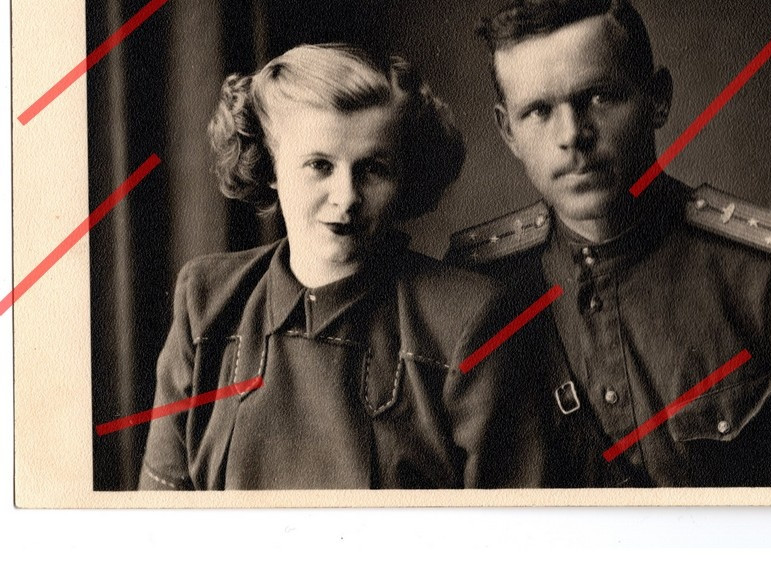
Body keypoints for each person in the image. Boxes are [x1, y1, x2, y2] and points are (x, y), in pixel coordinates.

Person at [447, 0, 771, 487]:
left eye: (599, 96)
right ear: (507, 132)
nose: (572, 136)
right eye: (539, 111)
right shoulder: (473, 287)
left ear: (658, 99)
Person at [139, 44, 526, 490]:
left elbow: (507, 524)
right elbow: (159, 518)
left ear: (404, 174)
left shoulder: (466, 320)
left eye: (373, 168)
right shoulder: (206, 302)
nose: (346, 197)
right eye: (319, 165)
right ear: (270, 166)